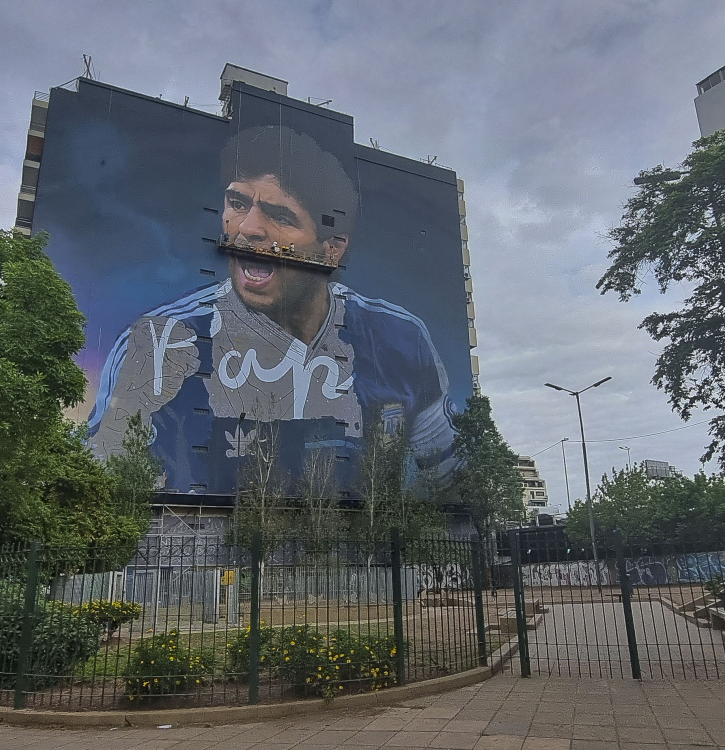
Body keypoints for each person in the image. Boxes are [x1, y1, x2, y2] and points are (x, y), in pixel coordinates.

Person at [88, 125, 458, 492]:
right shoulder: (162, 340)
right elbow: (95, 487)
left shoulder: (399, 338)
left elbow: (454, 482)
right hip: (194, 547)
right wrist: (126, 416)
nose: (248, 229)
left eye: (279, 215)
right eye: (237, 203)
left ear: (332, 249)